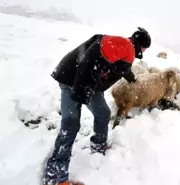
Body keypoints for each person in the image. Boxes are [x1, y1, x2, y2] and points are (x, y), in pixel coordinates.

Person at [43, 27, 151, 185]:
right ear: (141, 46)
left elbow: (122, 68)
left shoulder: (123, 47)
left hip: (87, 82)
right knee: (71, 124)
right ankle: (56, 176)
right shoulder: (124, 46)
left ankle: (98, 145)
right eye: (145, 49)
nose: (144, 51)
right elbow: (91, 57)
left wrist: (133, 79)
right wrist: (82, 91)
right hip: (72, 79)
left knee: (103, 113)